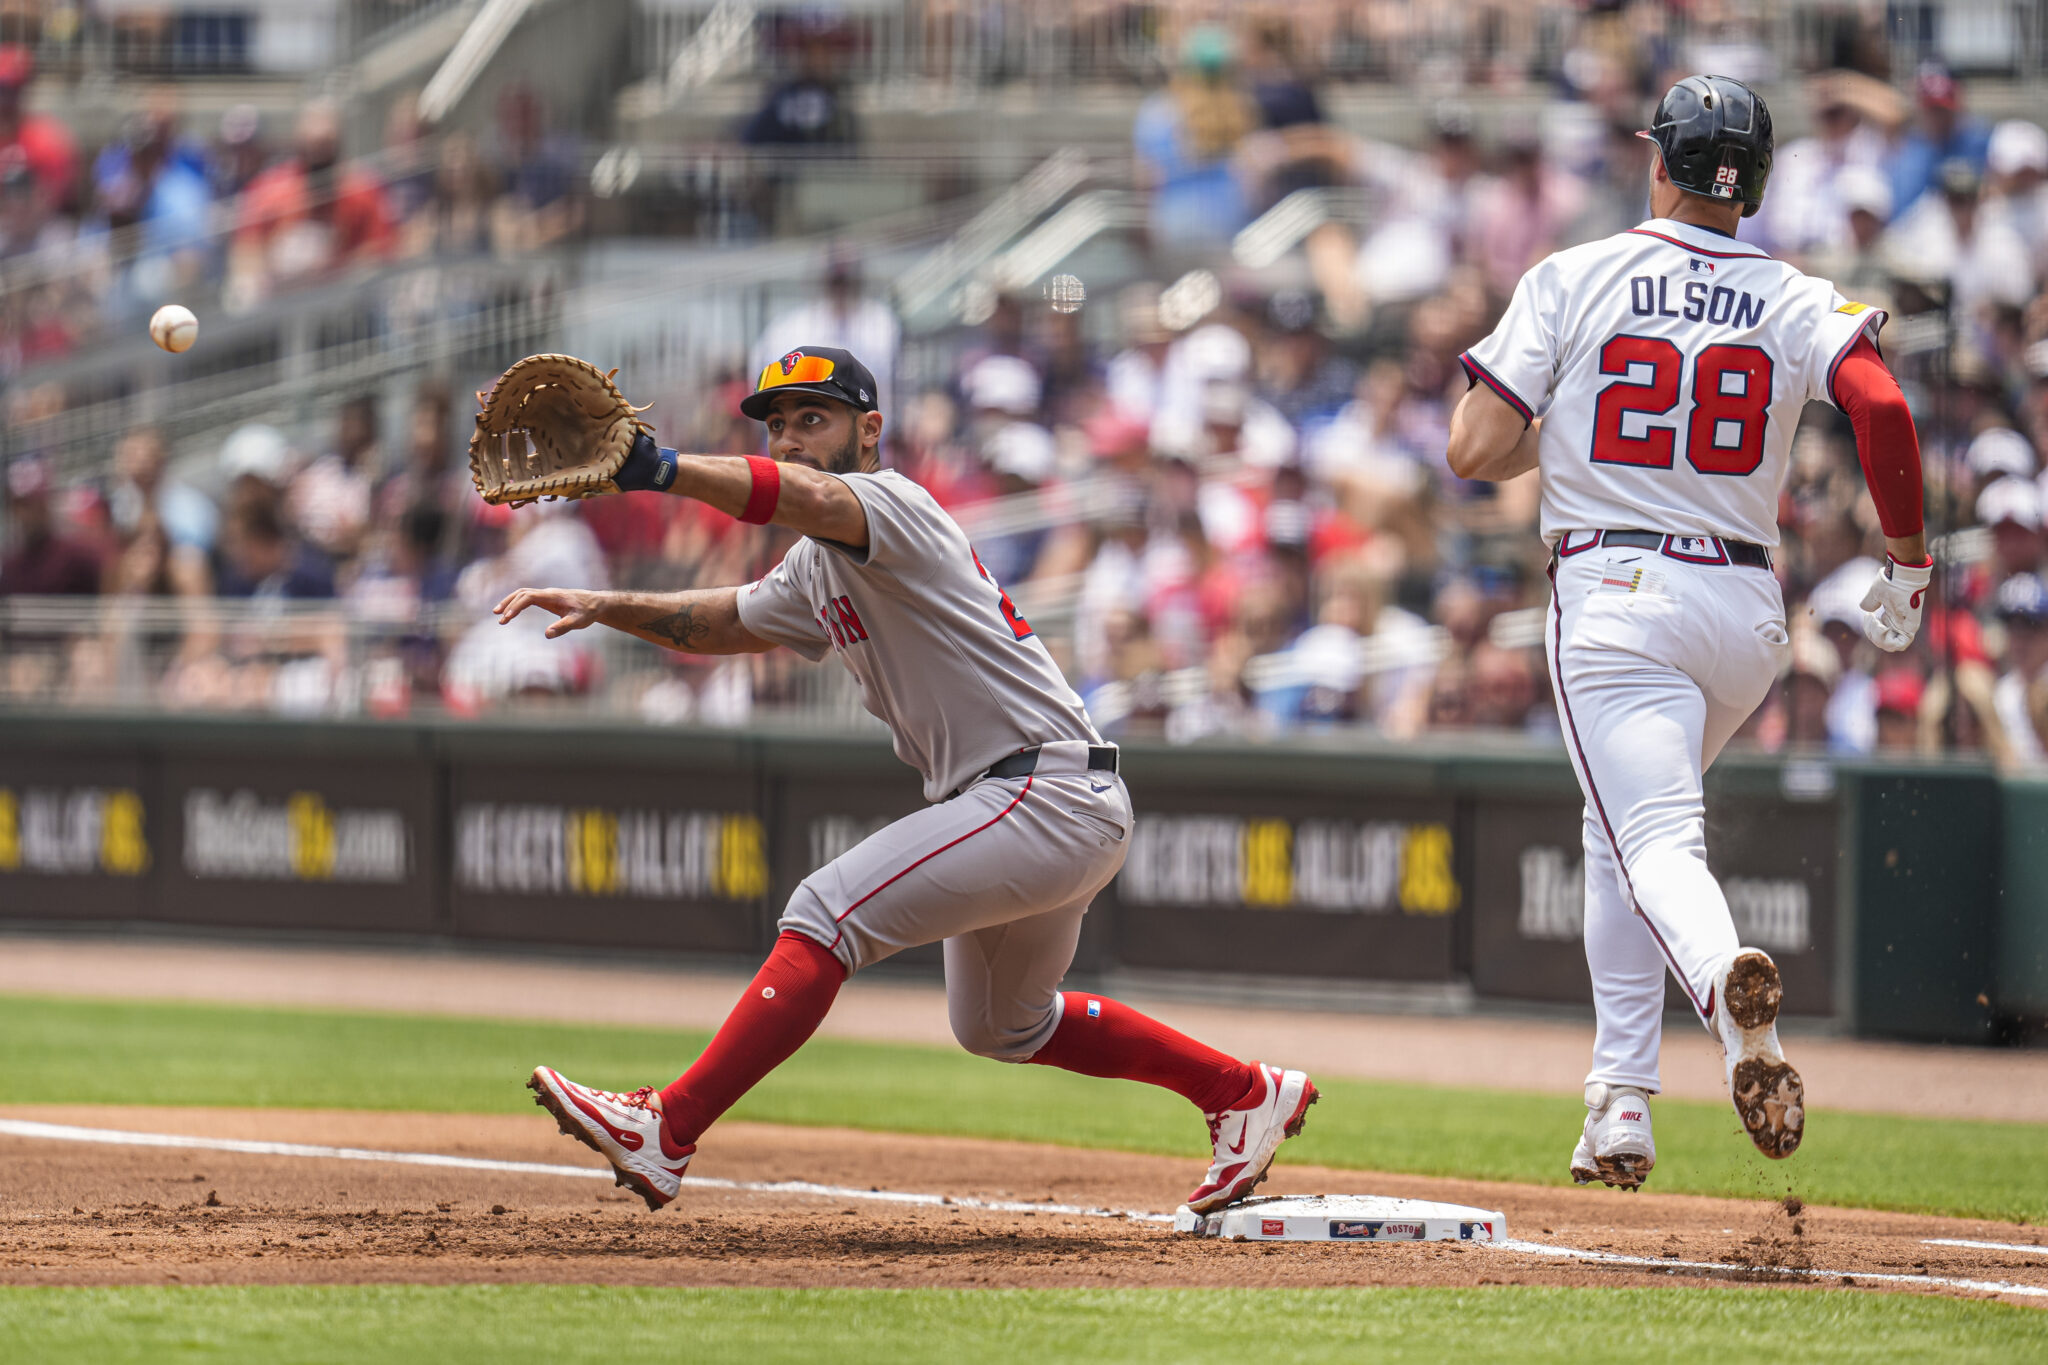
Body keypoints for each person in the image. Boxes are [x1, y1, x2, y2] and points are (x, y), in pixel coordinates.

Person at [496, 345, 1316, 1213]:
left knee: (824, 909)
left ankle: (668, 1128)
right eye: (778, 426)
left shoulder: (890, 503)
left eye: (813, 419)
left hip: (1040, 792)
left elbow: (803, 496)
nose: (792, 439)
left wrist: (658, 468)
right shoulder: (817, 564)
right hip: (1046, 801)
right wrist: (608, 605)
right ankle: (1242, 1092)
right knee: (1003, 1024)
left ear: (870, 429)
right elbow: (724, 621)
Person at [1447, 77, 1928, 1190]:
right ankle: (1618, 1103)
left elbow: (1473, 447)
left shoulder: (1577, 273)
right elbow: (1886, 410)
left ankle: (1725, 990)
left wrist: (1562, 418)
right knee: (1613, 832)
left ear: (1654, 161)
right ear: (1751, 186)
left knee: (1652, 839)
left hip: (1616, 594)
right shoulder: (1792, 293)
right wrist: (1908, 558)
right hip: (1742, 614)